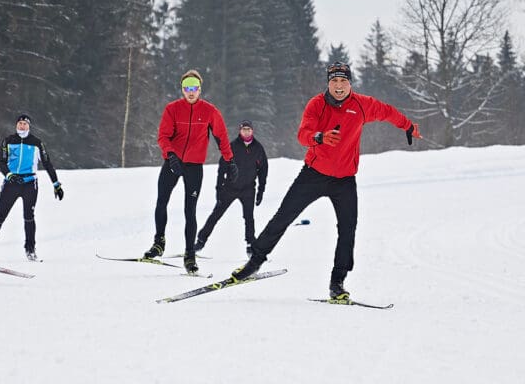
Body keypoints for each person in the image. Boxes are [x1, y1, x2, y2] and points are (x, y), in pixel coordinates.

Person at [231, 62, 422, 299]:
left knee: (348, 229)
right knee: (283, 217)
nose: (339, 86)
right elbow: (303, 134)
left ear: (350, 83)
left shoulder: (363, 105)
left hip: (344, 180)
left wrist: (408, 126)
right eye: (334, 81)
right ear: (328, 83)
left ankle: (338, 281)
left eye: (343, 81)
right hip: (313, 174)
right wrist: (319, 137)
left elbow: (388, 112)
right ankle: (254, 262)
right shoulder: (317, 105)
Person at [143, 69, 238, 274]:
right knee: (161, 201)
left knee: (190, 210)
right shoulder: (172, 109)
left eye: (194, 88)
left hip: (194, 166)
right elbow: (163, 137)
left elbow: (221, 137)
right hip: (172, 163)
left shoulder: (209, 111)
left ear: (200, 89)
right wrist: (171, 155)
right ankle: (159, 242)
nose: (191, 92)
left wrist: (230, 161)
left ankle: (189, 255)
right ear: (182, 90)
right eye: (187, 88)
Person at [0, 114, 63, 261]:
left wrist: (56, 184)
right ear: (16, 125)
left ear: (29, 126)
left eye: (24, 124)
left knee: (29, 217)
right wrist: (9, 175)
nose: (22, 126)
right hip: (12, 182)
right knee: (0, 216)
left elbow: (47, 163)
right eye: (19, 124)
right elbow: (2, 162)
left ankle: (30, 250)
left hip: (30, 183)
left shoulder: (37, 143)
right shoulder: (8, 141)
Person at [194, 119, 268, 256]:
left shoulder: (258, 148)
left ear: (252, 131)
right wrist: (219, 189)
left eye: (249, 129)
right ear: (240, 131)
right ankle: (201, 240)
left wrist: (261, 191)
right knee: (216, 214)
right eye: (244, 129)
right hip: (230, 188)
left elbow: (263, 170)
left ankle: (251, 244)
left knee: (249, 217)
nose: (246, 131)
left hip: (248, 189)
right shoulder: (232, 146)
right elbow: (222, 169)